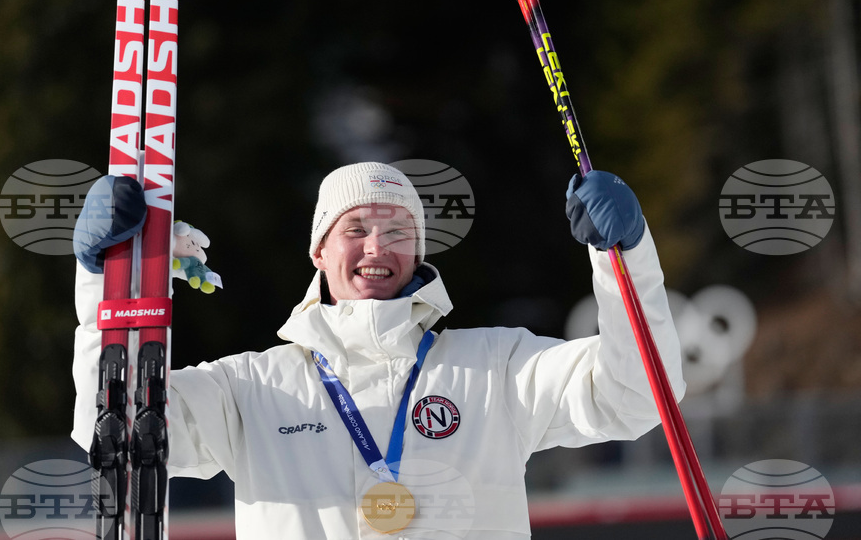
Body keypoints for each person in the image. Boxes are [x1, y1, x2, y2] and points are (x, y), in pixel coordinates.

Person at [71, 161, 684, 539]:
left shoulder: (495, 367)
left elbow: (634, 396)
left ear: (418, 255)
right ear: (319, 250)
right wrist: (103, 282)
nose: (376, 247)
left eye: (398, 232)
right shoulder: (253, 388)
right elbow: (115, 433)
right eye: (355, 229)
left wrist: (625, 256)